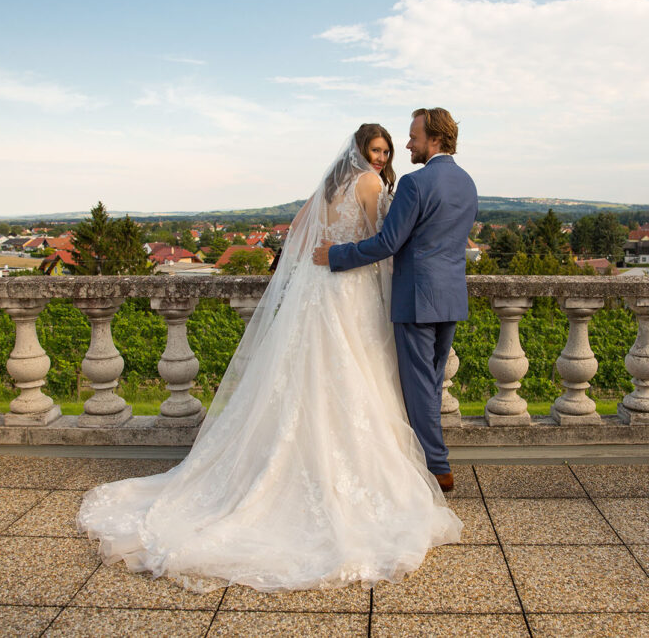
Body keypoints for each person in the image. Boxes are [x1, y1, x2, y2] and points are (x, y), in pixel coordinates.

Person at [76, 123, 462, 594]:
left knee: (317, 375)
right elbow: (385, 243)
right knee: (358, 374)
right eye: (376, 149)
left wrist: (312, 263)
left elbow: (301, 229)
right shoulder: (370, 184)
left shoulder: (329, 186)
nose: (383, 157)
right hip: (355, 288)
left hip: (323, 290)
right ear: (361, 151)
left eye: (386, 150)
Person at [313, 108, 477, 493]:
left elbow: (388, 242)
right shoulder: (468, 183)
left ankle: (437, 468)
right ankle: (428, 461)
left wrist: (336, 255)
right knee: (431, 383)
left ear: (434, 138)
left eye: (413, 137)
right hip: (451, 297)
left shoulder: (416, 183)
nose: (407, 144)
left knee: (419, 386)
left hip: (416, 297)